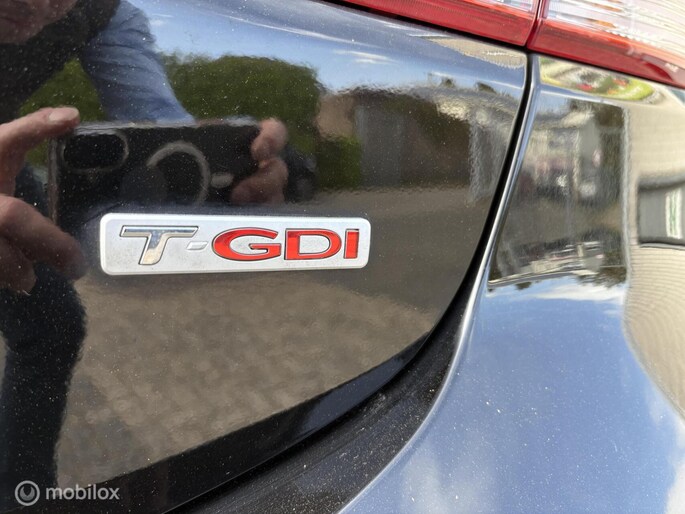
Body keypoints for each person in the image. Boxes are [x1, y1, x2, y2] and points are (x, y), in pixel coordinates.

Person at [0, 0, 287, 507]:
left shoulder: (106, 11)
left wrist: (229, 162)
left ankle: (21, 496)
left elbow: (158, 125)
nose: (40, 3)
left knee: (53, 324)